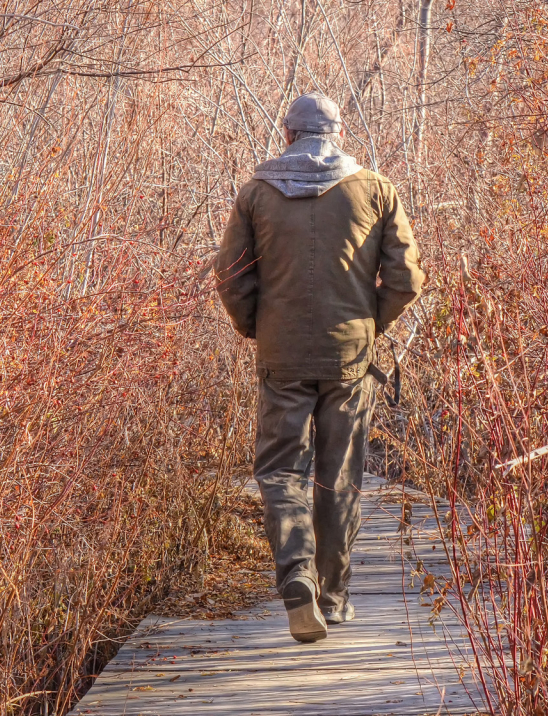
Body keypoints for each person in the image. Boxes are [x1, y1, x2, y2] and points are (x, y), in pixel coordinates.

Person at [215, 92, 424, 642]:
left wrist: (255, 328)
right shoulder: (375, 190)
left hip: (281, 355)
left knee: (282, 470)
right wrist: (370, 324)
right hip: (351, 357)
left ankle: (296, 579)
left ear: (289, 135)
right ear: (336, 133)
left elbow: (231, 278)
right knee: (340, 476)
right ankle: (332, 597)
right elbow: (405, 279)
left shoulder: (255, 194)